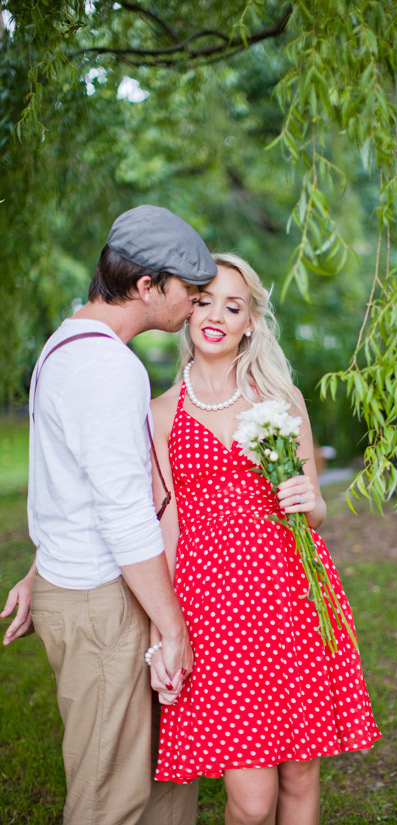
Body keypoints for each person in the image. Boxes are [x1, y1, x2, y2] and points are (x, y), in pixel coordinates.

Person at [0, 204, 217, 825]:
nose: (196, 307)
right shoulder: (105, 366)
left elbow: (68, 485)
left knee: (164, 782)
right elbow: (123, 515)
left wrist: (38, 568)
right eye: (191, 293)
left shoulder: (73, 345)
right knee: (109, 799)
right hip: (105, 599)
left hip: (100, 586)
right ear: (148, 286)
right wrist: (172, 627)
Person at [148, 253, 382, 825]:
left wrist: (313, 501)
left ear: (250, 321)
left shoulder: (281, 400)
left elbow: (314, 506)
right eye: (204, 301)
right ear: (186, 311)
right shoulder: (159, 413)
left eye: (233, 306)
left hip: (291, 598)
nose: (217, 317)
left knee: (300, 774)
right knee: (251, 803)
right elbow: (165, 520)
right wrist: (165, 626)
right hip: (214, 613)